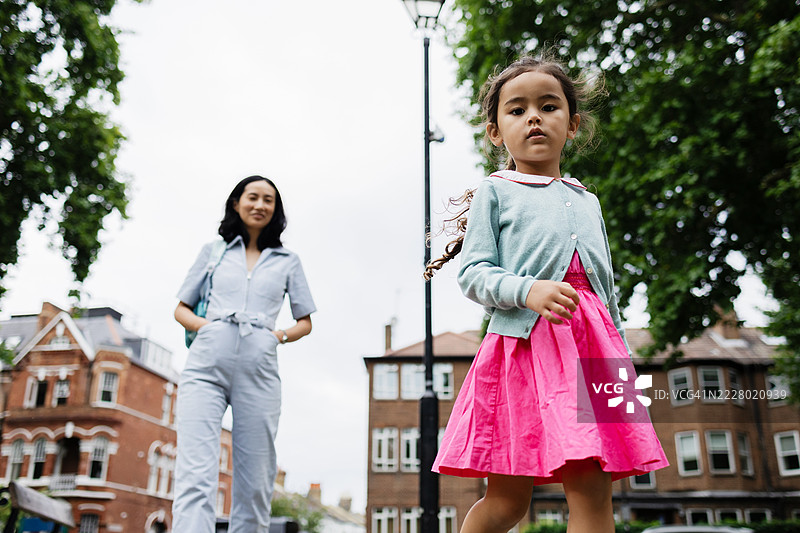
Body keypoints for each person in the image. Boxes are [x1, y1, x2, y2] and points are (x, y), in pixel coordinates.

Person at [424, 54, 668, 533]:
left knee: (593, 489)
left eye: (548, 106)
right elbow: (472, 273)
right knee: (507, 501)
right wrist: (528, 290)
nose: (533, 117)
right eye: (517, 110)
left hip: (592, 353)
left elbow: (607, 292)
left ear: (572, 125)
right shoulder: (495, 191)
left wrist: (621, 363)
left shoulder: (589, 201)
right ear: (495, 132)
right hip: (523, 351)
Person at [172, 175, 316, 532]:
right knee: (195, 472)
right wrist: (208, 328)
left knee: (256, 479)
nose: (260, 205)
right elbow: (181, 309)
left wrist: (277, 336)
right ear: (236, 203)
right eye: (253, 197)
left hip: (259, 372)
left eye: (269, 200)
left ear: (276, 210)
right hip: (205, 368)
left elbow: (305, 321)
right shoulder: (213, 252)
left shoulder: (288, 260)